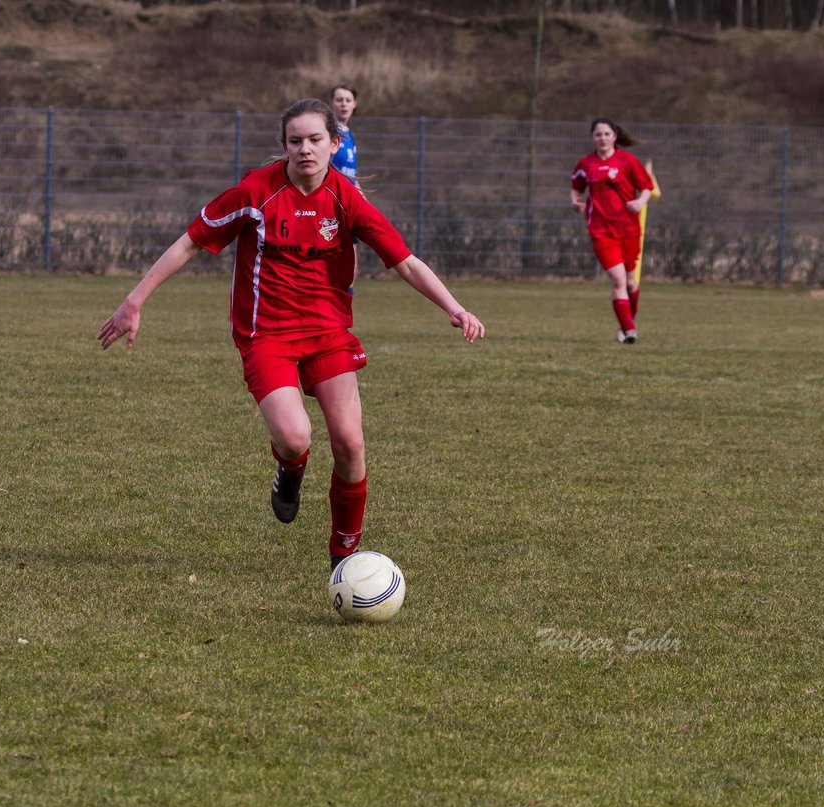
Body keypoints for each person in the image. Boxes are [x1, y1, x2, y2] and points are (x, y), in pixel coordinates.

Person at [98, 98, 484, 570]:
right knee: (296, 436)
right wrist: (134, 300)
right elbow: (190, 242)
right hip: (267, 337)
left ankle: (344, 552)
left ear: (334, 144)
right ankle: (290, 468)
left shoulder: (346, 198)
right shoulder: (255, 192)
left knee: (350, 444)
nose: (306, 149)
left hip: (329, 334)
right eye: (296, 140)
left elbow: (404, 260)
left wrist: (454, 307)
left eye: (315, 139)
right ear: (283, 146)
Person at [570, 116, 653, 344]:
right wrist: (576, 203)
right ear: (592, 138)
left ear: (615, 136)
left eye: (607, 134)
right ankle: (629, 331)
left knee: (630, 282)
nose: (602, 138)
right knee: (618, 281)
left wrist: (640, 202)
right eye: (598, 135)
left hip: (628, 229)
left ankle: (627, 323)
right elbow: (576, 188)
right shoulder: (586, 164)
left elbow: (646, 187)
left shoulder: (627, 161)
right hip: (601, 231)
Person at [329, 83, 362, 289]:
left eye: (348, 100)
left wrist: (360, 194)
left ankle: (340, 318)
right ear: (331, 103)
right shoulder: (328, 132)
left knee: (351, 269)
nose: (344, 104)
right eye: (339, 99)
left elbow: (352, 174)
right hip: (332, 204)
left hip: (350, 204)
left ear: (354, 104)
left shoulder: (349, 135)